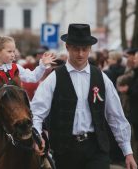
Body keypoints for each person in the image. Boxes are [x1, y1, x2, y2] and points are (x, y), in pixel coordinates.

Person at [31, 24, 137, 169]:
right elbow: (36, 113)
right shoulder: (54, 78)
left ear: (90, 49)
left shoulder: (101, 77)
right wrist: (37, 138)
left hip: (96, 149)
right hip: (64, 151)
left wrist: (127, 152)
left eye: (84, 49)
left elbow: (115, 116)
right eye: (76, 49)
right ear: (67, 47)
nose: (80, 54)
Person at [0, 36, 56, 165]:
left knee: (41, 123)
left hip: (22, 107)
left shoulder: (16, 68)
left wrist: (42, 65)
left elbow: (33, 77)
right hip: (1, 109)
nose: (13, 54)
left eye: (14, 51)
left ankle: (45, 153)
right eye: (9, 51)